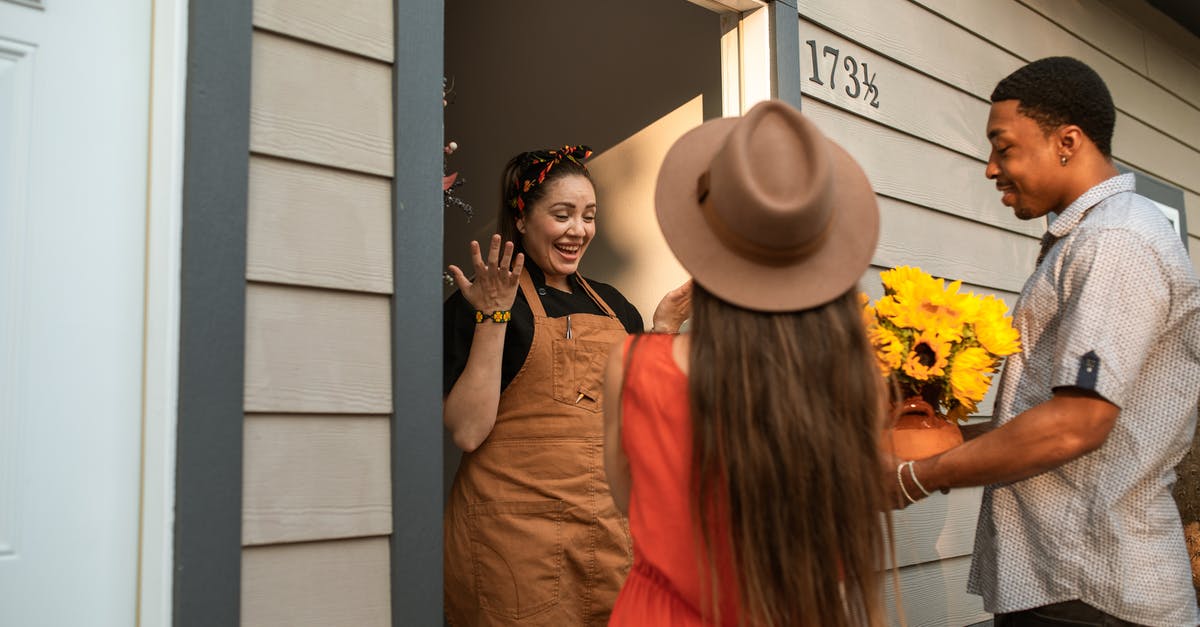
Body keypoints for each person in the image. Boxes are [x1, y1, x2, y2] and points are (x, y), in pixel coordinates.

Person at [894, 57, 1200, 626]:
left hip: (1097, 591)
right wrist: (943, 438)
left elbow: (1076, 424)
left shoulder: (1116, 241)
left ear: (1067, 141)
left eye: (1003, 147)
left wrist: (917, 479)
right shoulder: (1086, 239)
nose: (991, 169)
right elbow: (1049, 413)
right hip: (1069, 585)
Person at [603, 100, 891, 626]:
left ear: (704, 243)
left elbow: (629, 500)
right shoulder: (858, 378)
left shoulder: (634, 365)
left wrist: (661, 333)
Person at [442, 145, 690, 626]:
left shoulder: (615, 307)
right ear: (521, 219)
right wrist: (493, 314)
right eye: (562, 214)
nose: (579, 230)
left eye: (589, 216)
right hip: (514, 550)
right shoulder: (482, 300)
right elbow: (467, 431)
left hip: (609, 543)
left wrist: (662, 330)